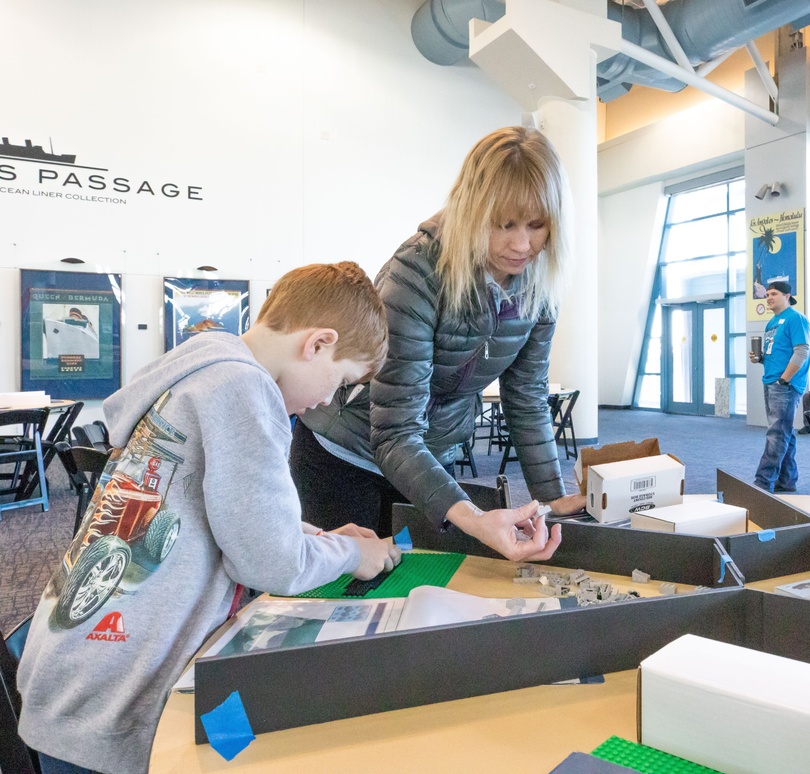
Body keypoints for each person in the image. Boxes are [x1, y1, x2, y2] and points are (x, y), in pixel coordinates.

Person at [17, 262, 400, 774]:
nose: (328, 400)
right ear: (318, 344)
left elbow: (218, 513)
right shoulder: (246, 391)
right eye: (342, 380)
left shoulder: (201, 372)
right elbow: (270, 562)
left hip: (75, 674)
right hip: (116, 693)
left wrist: (317, 535)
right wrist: (355, 552)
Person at [291, 126, 584, 563]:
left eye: (537, 225)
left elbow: (526, 398)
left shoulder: (540, 286)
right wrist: (472, 516)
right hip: (347, 453)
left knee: (426, 583)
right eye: (502, 225)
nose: (522, 244)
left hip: (431, 456)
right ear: (471, 211)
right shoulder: (417, 271)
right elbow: (394, 431)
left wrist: (551, 501)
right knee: (345, 593)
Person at [748, 280, 810, 493]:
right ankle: (787, 482)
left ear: (787, 295)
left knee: (776, 434)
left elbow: (801, 352)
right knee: (785, 433)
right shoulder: (771, 323)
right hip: (771, 382)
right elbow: (778, 353)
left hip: (784, 385)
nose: (769, 298)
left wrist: (784, 379)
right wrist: (761, 359)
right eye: (767, 295)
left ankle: (762, 484)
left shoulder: (796, 319)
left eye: (773, 293)